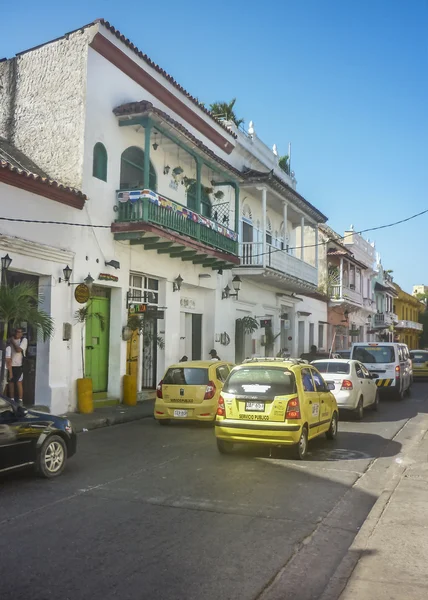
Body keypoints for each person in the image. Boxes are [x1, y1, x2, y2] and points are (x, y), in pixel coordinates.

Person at [6, 328, 28, 404]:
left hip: (19, 365)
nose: (17, 334)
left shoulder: (23, 340)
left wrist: (13, 342)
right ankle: (11, 399)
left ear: (22, 334)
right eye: (16, 332)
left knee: (19, 382)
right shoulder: (10, 340)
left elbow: (18, 350)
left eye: (19, 332)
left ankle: (20, 400)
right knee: (11, 382)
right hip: (10, 365)